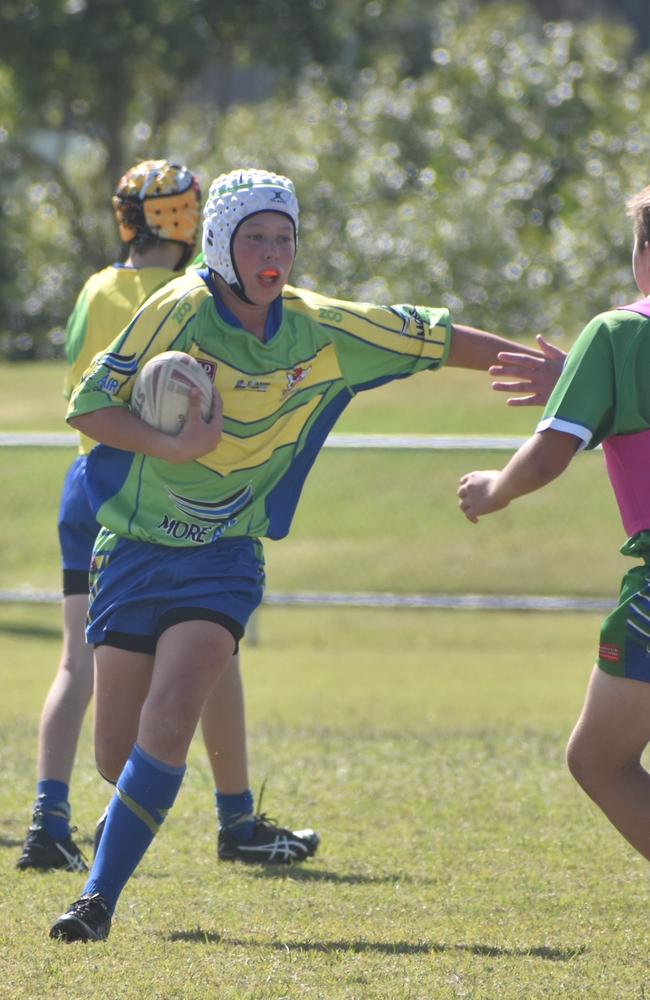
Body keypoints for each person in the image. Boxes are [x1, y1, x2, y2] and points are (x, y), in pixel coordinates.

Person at [48, 166, 563, 943]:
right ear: (219, 241)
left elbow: (430, 335)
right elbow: (86, 405)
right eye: (255, 235)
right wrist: (171, 443)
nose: (272, 252)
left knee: (176, 702)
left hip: (224, 555)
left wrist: (551, 372)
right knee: (116, 753)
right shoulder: (177, 309)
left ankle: (95, 902)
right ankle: (146, 809)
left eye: (284, 237)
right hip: (133, 549)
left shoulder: (317, 328)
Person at [18, 159, 317, 876]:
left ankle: (48, 818)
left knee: (75, 661)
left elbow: (80, 381)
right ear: (190, 219)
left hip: (86, 480)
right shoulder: (196, 295)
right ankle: (236, 817)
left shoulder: (96, 286)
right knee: (216, 650)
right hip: (168, 487)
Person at [457, 182, 650, 871]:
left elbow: (547, 456)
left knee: (599, 760)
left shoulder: (621, 333)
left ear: (642, 254)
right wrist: (583, 381)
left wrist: (495, 491)